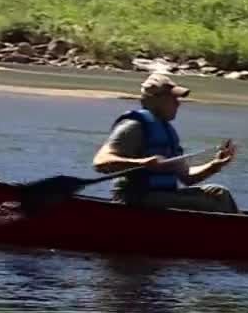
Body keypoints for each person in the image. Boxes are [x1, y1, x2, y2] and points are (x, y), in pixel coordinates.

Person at [92, 72, 239, 213]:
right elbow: (100, 162)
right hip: (136, 198)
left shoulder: (167, 131)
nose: (178, 104)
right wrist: (142, 163)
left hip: (164, 196)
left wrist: (215, 165)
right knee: (210, 204)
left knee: (219, 193)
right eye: (173, 98)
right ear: (155, 99)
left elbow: (187, 177)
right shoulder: (134, 126)